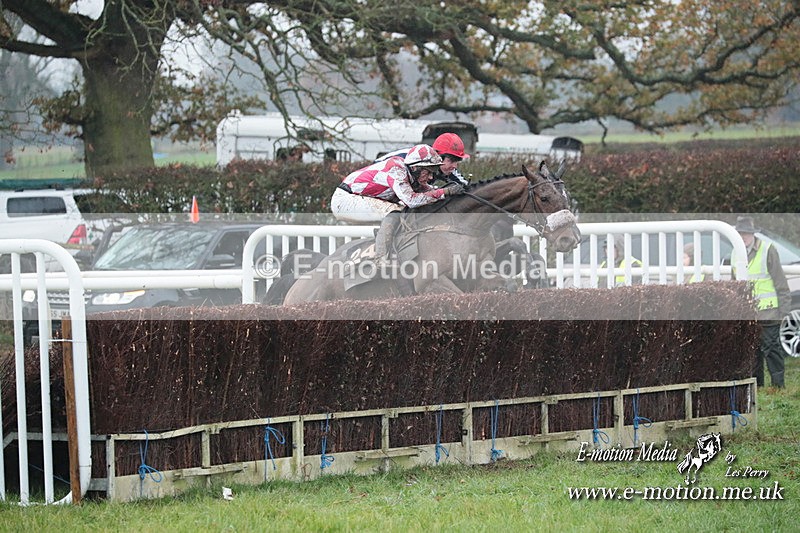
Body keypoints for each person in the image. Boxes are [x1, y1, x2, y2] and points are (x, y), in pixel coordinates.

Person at [330, 144, 465, 261]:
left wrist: (447, 192)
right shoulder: (396, 168)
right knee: (395, 213)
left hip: (361, 197)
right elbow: (411, 200)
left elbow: (430, 192)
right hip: (345, 199)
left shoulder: (412, 173)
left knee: (404, 212)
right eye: (429, 172)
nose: (431, 177)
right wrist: (444, 192)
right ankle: (380, 260)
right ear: (415, 168)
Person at [731, 216, 791, 388]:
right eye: (740, 233)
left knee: (772, 349)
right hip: (749, 313)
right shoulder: (736, 253)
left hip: (770, 311)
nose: (743, 237)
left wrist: (783, 312)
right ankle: (758, 386)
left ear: (752, 234)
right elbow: (735, 284)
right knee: (753, 350)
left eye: (746, 233)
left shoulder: (768, 250)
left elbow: (781, 283)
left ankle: (778, 385)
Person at [375, 132, 470, 186]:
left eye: (457, 161)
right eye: (451, 161)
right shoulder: (415, 162)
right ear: (438, 157)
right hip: (377, 178)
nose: (454, 166)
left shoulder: (446, 167)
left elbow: (466, 186)